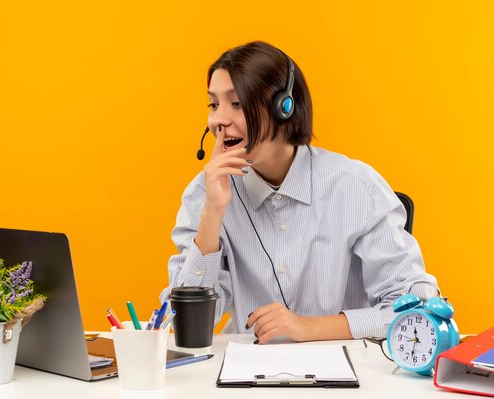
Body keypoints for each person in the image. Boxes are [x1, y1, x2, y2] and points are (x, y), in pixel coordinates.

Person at [160, 41, 437, 343]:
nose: (218, 120)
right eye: (214, 104)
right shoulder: (207, 193)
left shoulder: (357, 189)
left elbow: (416, 311)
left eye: (237, 103)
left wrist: (310, 328)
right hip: (247, 375)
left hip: (350, 375)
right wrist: (212, 213)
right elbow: (181, 322)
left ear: (284, 107)